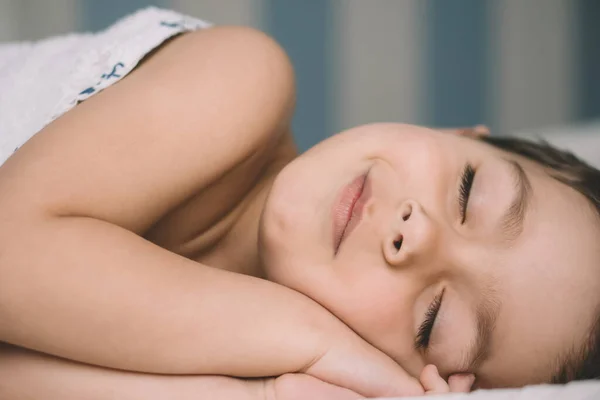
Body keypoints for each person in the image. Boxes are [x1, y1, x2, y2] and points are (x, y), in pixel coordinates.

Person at [0, 7, 599, 400]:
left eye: (433, 319)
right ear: (462, 135)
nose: (416, 234)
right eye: (469, 191)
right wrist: (313, 339)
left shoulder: (245, 365)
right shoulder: (240, 80)